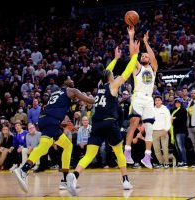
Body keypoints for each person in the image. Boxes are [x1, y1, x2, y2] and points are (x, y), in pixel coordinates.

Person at [66, 38, 140, 196]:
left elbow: (106, 71)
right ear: (111, 77)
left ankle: (75, 176)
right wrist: (135, 55)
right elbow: (127, 72)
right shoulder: (113, 85)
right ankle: (126, 180)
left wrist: (115, 59)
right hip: (109, 123)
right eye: (113, 74)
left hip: (96, 124)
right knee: (118, 151)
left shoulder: (100, 86)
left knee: (89, 154)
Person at [13, 74, 95, 193]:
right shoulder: (72, 90)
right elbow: (89, 100)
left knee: (67, 145)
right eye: (70, 78)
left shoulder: (55, 92)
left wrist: (61, 122)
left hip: (47, 120)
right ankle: (23, 170)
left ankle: (65, 179)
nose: (72, 80)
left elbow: (55, 107)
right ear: (65, 81)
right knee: (43, 146)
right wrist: (101, 98)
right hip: (51, 121)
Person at [124, 26, 158, 169]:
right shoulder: (138, 68)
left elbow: (154, 57)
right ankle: (127, 151)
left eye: (146, 56)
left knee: (149, 128)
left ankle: (147, 156)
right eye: (143, 56)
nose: (145, 57)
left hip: (149, 99)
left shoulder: (153, 68)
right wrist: (131, 37)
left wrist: (146, 43)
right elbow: (133, 55)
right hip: (137, 97)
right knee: (134, 123)